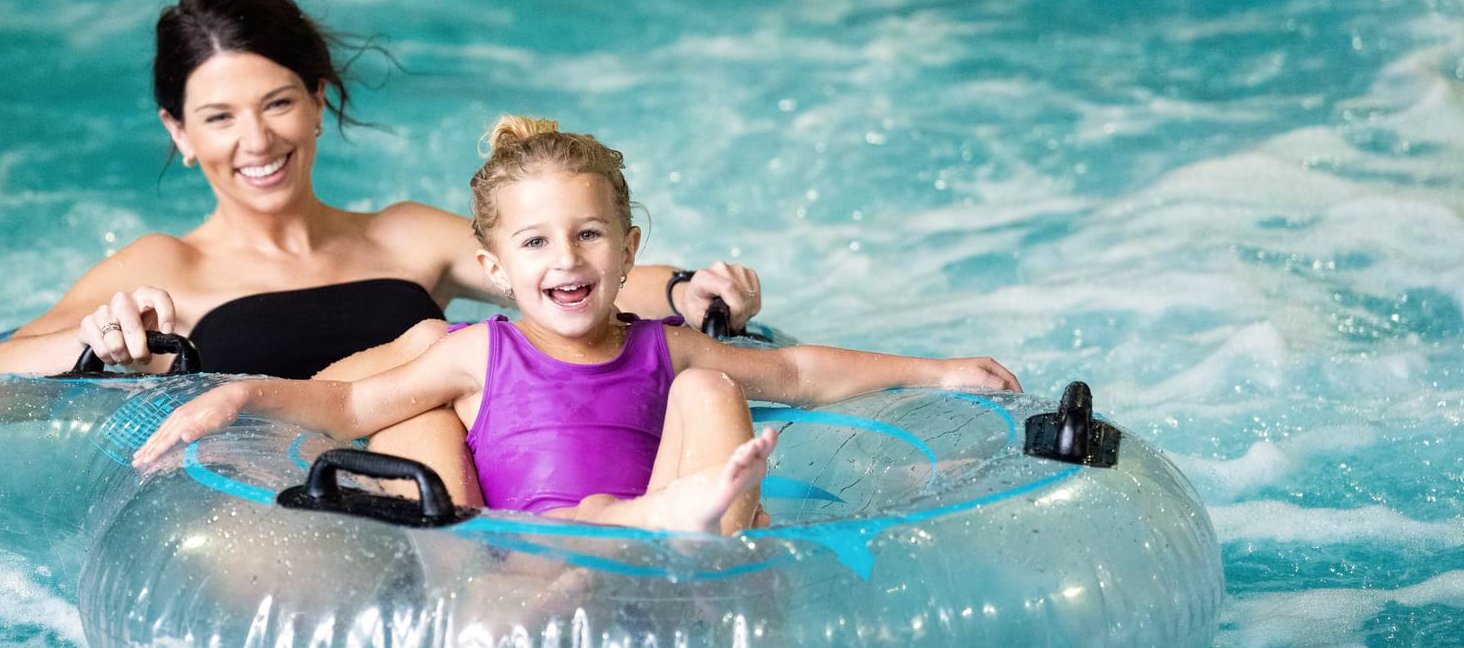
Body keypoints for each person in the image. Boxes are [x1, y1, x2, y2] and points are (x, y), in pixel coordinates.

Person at [0, 0, 764, 503]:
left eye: (277, 103)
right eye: (217, 118)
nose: (255, 141)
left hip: (489, 487)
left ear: (318, 101)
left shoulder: (405, 233)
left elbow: (566, 279)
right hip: (301, 496)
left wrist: (686, 289)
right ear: (178, 132)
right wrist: (100, 343)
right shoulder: (163, 267)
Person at [131, 115, 1021, 534]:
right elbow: (352, 406)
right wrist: (238, 395)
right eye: (537, 242)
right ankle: (671, 517)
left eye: (589, 235)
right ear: (496, 269)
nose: (567, 260)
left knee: (716, 384)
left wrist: (935, 369)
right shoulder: (478, 353)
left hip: (680, 544)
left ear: (629, 253)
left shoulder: (660, 347)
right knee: (604, 507)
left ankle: (698, 521)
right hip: (543, 552)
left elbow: (793, 376)